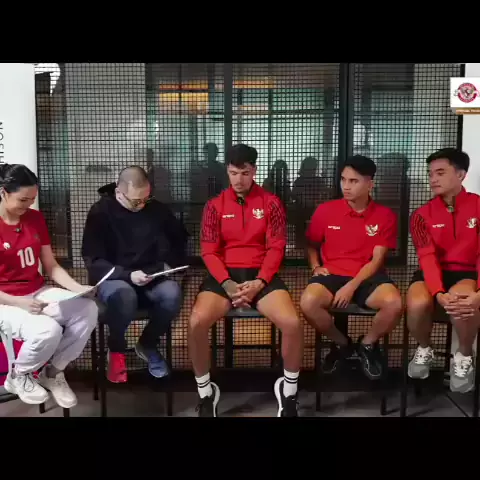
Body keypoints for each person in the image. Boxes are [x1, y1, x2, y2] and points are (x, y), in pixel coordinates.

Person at [189, 144, 303, 417]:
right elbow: (209, 251)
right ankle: (206, 394)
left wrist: (260, 282)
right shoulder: (214, 206)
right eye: (233, 173)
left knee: (292, 323)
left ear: (254, 171)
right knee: (196, 323)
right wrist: (227, 283)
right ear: (227, 172)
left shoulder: (271, 203)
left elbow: (277, 247)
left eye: (245, 173)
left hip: (261, 275)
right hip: (224, 276)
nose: (238, 180)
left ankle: (288, 393)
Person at [0, 163, 98, 408]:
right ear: (3, 192)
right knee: (48, 330)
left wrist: (77, 288)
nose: (28, 205)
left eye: (32, 199)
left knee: (87, 309)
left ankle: (52, 372)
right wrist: (20, 302)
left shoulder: (34, 218)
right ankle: (19, 375)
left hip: (37, 291)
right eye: (23, 200)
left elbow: (51, 266)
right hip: (6, 300)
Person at [300, 155, 403, 380]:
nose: (346, 186)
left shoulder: (385, 216)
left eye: (353, 181)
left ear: (370, 184)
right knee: (308, 303)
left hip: (368, 276)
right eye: (343, 180)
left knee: (394, 304)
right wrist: (315, 266)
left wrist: (351, 286)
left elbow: (376, 260)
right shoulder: (325, 210)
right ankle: (342, 344)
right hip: (331, 273)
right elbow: (312, 244)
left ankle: (367, 345)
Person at [82, 166, 188, 384]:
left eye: (145, 199)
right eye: (135, 201)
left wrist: (166, 264)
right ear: (119, 193)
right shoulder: (101, 212)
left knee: (172, 293)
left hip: (151, 277)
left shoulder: (156, 209)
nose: (141, 205)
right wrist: (128, 275)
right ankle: (116, 350)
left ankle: (148, 343)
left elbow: (180, 240)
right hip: (115, 279)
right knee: (124, 295)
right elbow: (94, 260)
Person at [407, 148, 480, 393]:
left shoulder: (478, 206)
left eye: (440, 173)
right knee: (417, 302)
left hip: (468, 273)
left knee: (462, 300)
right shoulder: (421, 215)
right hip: (434, 272)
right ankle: (424, 348)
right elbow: (427, 258)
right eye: (430, 174)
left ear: (460, 174)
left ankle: (464, 356)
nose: (433, 179)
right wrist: (437, 292)